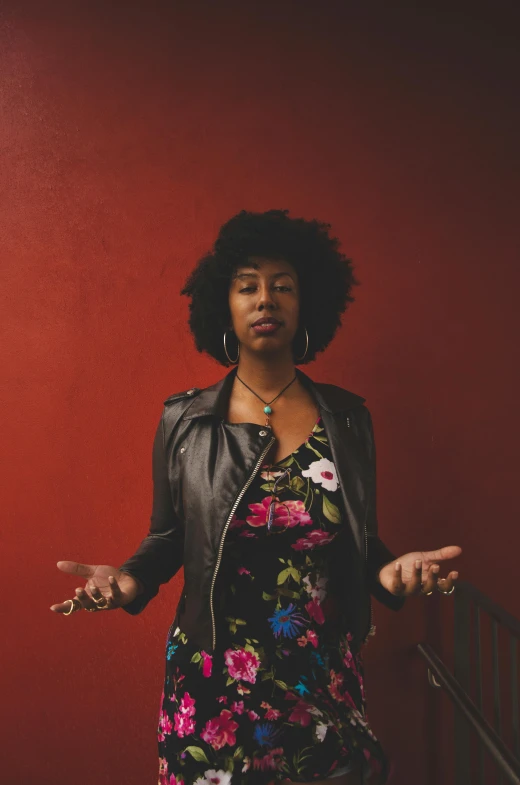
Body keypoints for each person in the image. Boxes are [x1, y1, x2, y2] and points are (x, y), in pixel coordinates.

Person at [51, 209, 461, 785]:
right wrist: (128, 581)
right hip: (214, 673)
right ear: (227, 306)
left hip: (322, 671)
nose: (265, 299)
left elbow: (360, 543)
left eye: (283, 287)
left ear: (305, 305)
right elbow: (168, 538)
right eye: (248, 287)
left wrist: (393, 572)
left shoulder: (347, 418)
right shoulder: (184, 420)